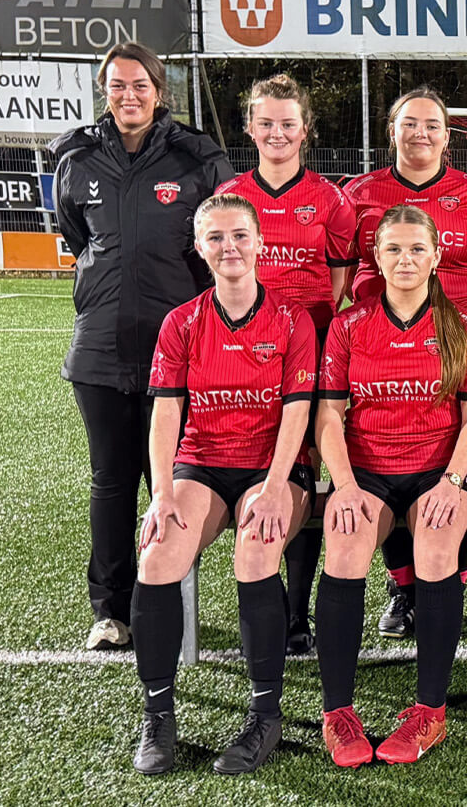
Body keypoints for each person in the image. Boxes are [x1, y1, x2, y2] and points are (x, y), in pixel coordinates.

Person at [50, 41, 235, 650]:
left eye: (140, 85)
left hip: (177, 350)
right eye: (117, 85)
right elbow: (79, 238)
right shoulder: (77, 158)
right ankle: (110, 609)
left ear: (160, 91)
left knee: (175, 483)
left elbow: (216, 241)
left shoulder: (195, 156)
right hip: (100, 349)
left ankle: (167, 598)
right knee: (111, 480)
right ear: (105, 90)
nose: (128, 95)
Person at [131, 194, 316, 775]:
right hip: (204, 463)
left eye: (240, 235)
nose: (229, 247)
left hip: (276, 465)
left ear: (261, 243)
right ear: (199, 247)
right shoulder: (181, 322)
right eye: (216, 238)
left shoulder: (292, 320)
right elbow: (165, 414)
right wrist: (161, 494)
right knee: (157, 557)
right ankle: (158, 714)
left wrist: (275, 486)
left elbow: (296, 412)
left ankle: (266, 716)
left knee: (256, 553)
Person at [314, 206, 467, 767]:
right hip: (366, 473)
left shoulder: (461, 325)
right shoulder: (349, 326)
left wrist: (452, 481)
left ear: (438, 256)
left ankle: (429, 713)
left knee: (437, 546)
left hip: (437, 473)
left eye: (418, 249)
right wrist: (342, 486)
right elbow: (327, 418)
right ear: (376, 257)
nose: (406, 259)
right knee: (343, 545)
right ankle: (338, 714)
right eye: (393, 249)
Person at [343, 88, 467, 641]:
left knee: (459, 455)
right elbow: (344, 270)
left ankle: (448, 582)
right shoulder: (360, 194)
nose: (421, 133)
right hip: (376, 335)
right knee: (381, 456)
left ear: (447, 134)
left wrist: (452, 314)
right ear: (392, 130)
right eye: (410, 124)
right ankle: (402, 586)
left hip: (459, 333)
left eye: (432, 125)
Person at [214, 73, 358, 655]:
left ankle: (297, 615)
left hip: (311, 348)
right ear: (250, 127)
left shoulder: (330, 200)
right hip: (247, 353)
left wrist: (306, 325)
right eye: (266, 122)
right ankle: (266, 604)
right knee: (259, 464)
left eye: (288, 123)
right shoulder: (230, 196)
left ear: (305, 131)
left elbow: (339, 277)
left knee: (304, 471)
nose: (277, 132)